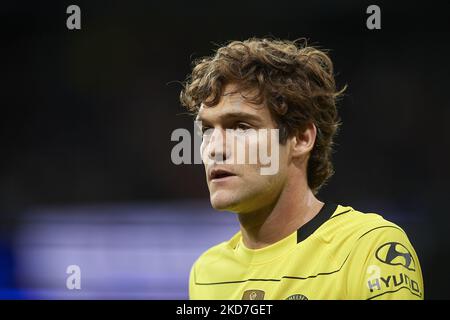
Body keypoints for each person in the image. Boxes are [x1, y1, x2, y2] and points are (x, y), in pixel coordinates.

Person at [179, 38, 423, 300]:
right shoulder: (206, 274)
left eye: (241, 127)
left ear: (302, 139)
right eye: (206, 130)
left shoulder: (368, 249)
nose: (215, 148)